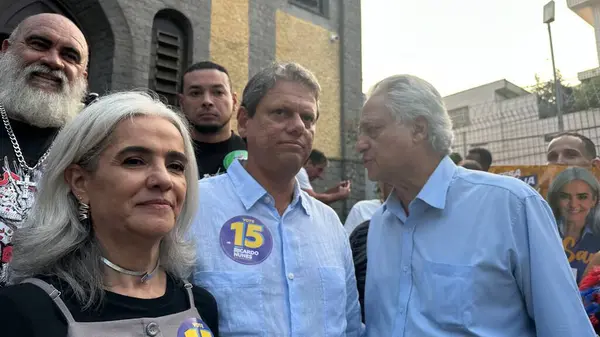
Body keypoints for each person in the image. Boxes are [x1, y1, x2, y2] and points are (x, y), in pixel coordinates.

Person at [357, 74, 594, 336]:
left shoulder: (510, 206)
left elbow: (566, 328)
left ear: (419, 129)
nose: (360, 145)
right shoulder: (381, 223)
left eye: (373, 130)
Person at [0, 92, 219, 337]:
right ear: (80, 182)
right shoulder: (25, 311)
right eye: (135, 161)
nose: (163, 180)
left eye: (176, 166)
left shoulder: (201, 305)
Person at [191, 62, 363, 336]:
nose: (298, 126)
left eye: (308, 117)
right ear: (245, 122)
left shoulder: (330, 225)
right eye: (281, 113)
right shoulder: (193, 208)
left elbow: (351, 325)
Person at [0, 13, 89, 286]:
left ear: (83, 75)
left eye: (70, 55)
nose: (53, 61)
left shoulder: (92, 147)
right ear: (6, 50)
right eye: (39, 44)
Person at [179, 61, 247, 179]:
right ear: (181, 103)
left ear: (234, 101)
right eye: (195, 93)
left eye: (218, 92)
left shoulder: (254, 157)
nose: (207, 101)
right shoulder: (168, 155)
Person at [546, 167, 600, 283]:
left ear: (594, 200)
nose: (573, 204)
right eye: (565, 196)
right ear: (556, 199)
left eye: (582, 197)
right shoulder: (542, 232)